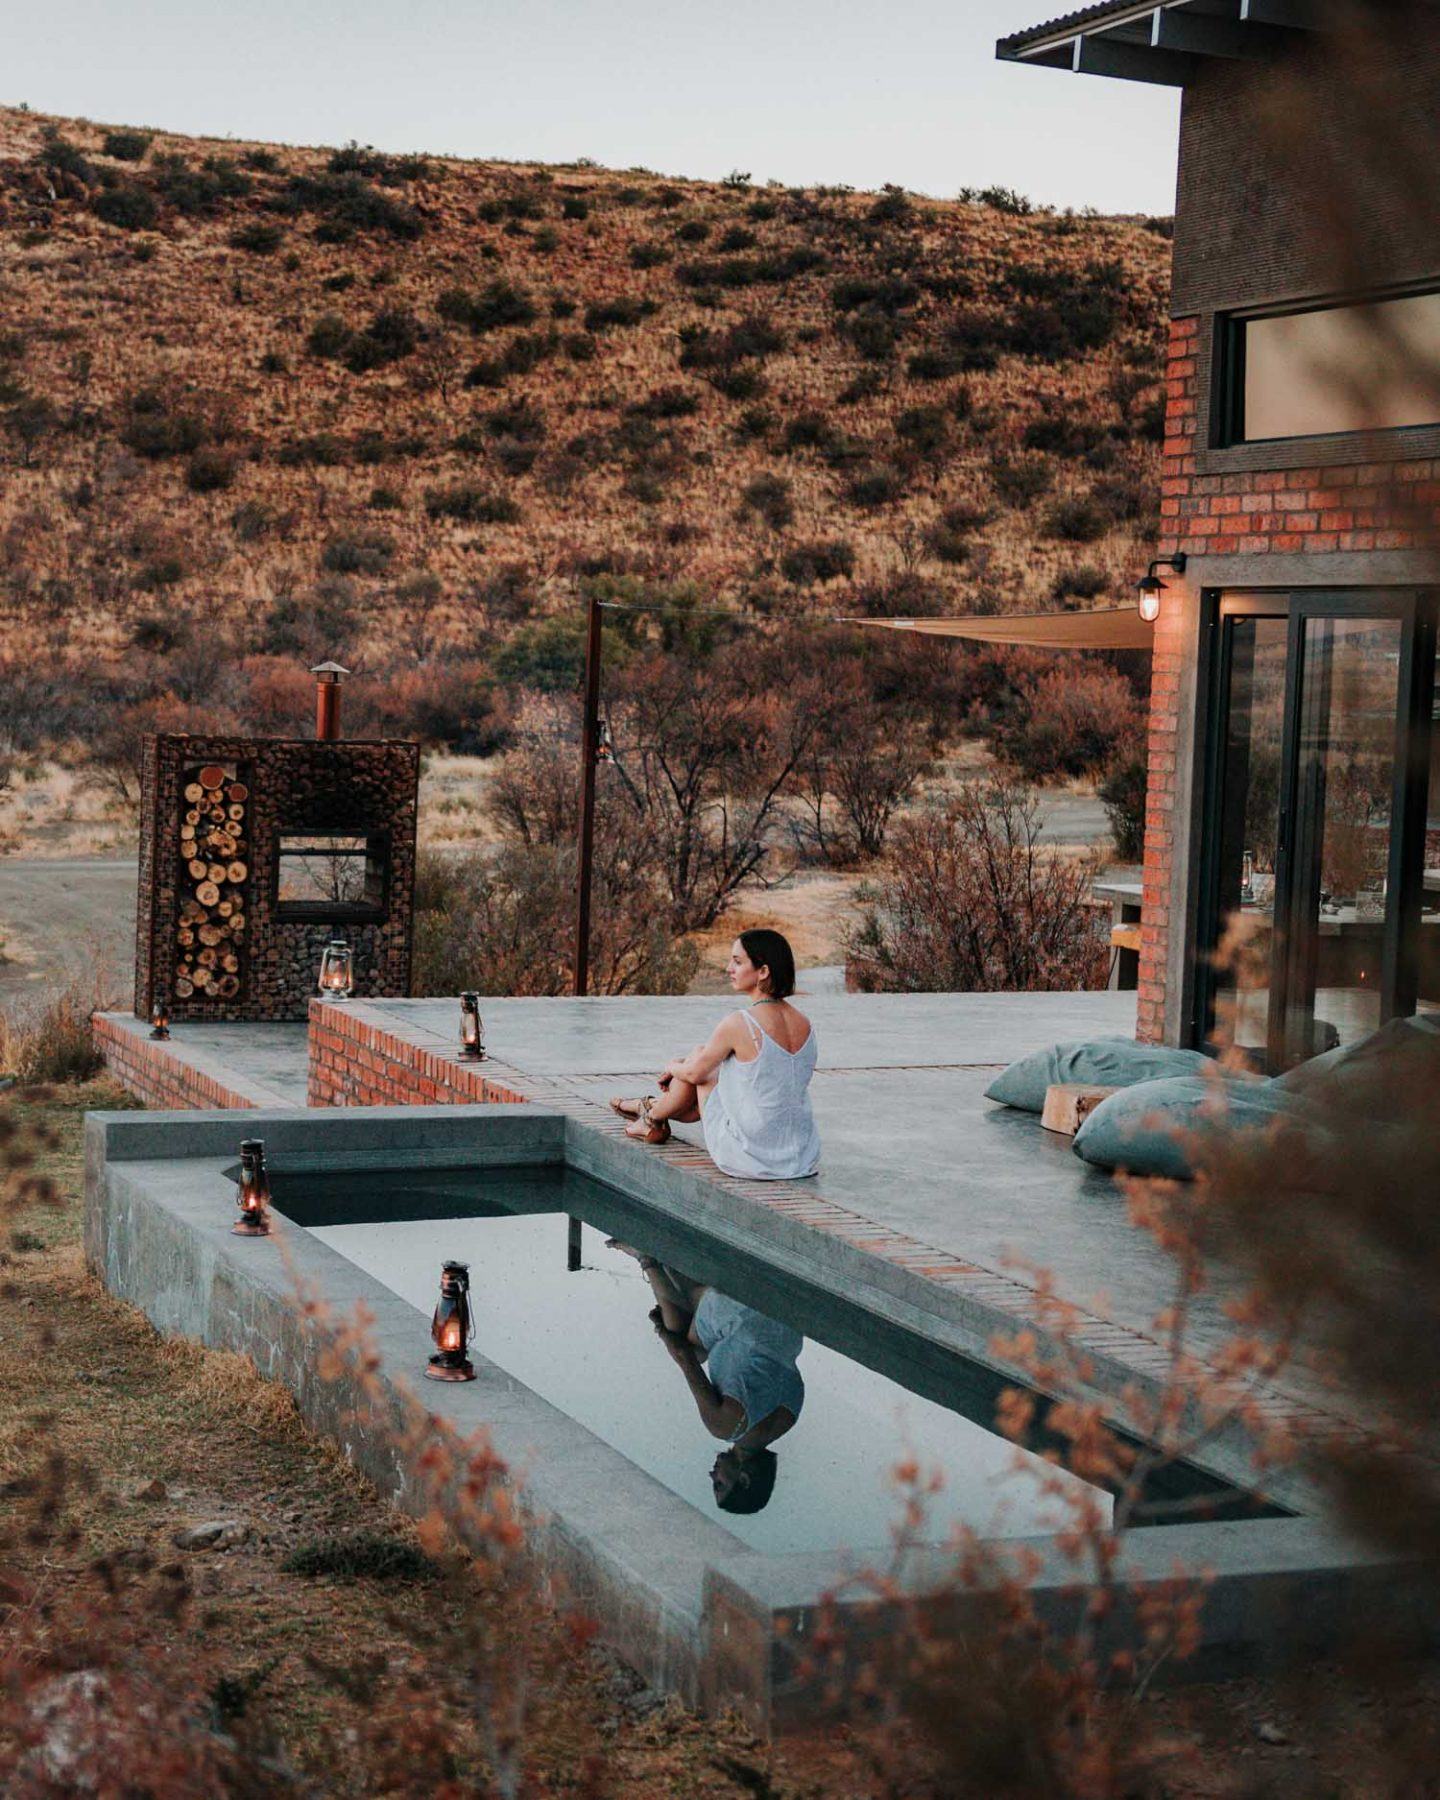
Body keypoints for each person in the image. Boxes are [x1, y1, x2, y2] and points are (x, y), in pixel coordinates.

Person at [609, 927, 821, 1180]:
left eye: (738, 961)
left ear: (763, 971)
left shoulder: (740, 1023)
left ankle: (652, 1116)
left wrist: (673, 1064)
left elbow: (695, 1073)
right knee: (703, 1062)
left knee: (700, 1065)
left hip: (752, 1157)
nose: (729, 968)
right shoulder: (804, 1023)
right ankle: (651, 1110)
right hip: (800, 1157)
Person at [608, 1243, 803, 1514]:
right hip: (739, 1314)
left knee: (696, 1342)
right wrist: (661, 1332)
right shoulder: (726, 1428)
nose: (712, 1476)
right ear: (744, 1479)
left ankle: (663, 1262)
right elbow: (683, 1356)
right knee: (683, 1340)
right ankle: (647, 1257)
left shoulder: (790, 1418)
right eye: (719, 1485)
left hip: (787, 1320)